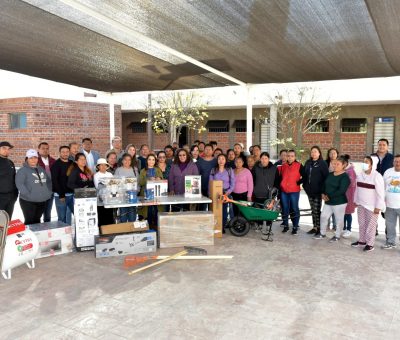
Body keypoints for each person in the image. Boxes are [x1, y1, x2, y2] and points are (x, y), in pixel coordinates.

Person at [351, 156, 385, 252]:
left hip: (372, 206)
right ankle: (362, 241)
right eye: (363, 162)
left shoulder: (377, 176)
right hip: (361, 204)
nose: (364, 164)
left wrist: (378, 207)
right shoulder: (360, 175)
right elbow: (357, 189)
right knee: (361, 223)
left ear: (372, 165)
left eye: (366, 162)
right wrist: (356, 201)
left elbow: (380, 193)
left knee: (371, 225)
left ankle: (370, 244)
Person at [314, 157, 350, 242]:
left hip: (339, 202)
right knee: (323, 216)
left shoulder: (345, 177)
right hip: (328, 201)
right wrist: (323, 194)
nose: (335, 166)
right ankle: (322, 234)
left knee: (339, 220)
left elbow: (341, 191)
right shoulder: (330, 174)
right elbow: (324, 185)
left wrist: (328, 196)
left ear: (343, 165)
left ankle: (337, 236)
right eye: (334, 164)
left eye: (338, 164)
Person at [16, 149, 52, 225]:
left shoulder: (41, 169)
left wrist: (48, 192)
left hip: (41, 201)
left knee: (37, 220)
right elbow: (19, 184)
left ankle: (36, 236)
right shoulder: (22, 170)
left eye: (35, 157)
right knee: (29, 221)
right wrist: (28, 194)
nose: (33, 160)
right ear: (27, 159)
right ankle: (29, 236)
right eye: (31, 158)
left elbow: (48, 182)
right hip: (28, 201)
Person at [302, 146, 329, 235]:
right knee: (313, 210)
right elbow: (305, 175)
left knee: (317, 210)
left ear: (319, 153)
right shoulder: (308, 162)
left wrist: (324, 191)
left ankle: (319, 228)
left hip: (318, 191)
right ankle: (314, 227)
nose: (313, 153)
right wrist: (304, 186)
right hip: (309, 191)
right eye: (312, 152)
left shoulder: (322, 163)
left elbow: (326, 177)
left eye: (315, 151)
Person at [279, 150, 304, 235]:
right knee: (285, 208)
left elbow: (305, 176)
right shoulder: (283, 166)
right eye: (288, 156)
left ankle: (295, 227)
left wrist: (298, 182)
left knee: (294, 208)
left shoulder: (299, 165)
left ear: (295, 157)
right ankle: (286, 226)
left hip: (294, 191)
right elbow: (280, 177)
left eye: (292, 156)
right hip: (284, 191)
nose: (290, 157)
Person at [209, 154, 235, 229]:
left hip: (226, 193)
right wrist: (210, 193)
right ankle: (217, 226)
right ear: (217, 161)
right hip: (216, 193)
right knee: (216, 210)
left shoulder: (229, 170)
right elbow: (210, 182)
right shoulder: (213, 170)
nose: (221, 161)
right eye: (219, 159)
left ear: (225, 160)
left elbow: (233, 183)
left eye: (223, 159)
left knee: (225, 211)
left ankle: (223, 226)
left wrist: (228, 192)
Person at [51, 145, 74, 225]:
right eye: (63, 152)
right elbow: (55, 181)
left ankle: (69, 235)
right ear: (59, 153)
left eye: (67, 152)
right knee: (62, 218)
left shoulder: (72, 164)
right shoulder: (56, 165)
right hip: (61, 196)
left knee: (70, 217)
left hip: (71, 195)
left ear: (69, 153)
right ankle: (62, 236)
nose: (65, 154)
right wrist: (61, 195)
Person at [138, 154, 163, 226]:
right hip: (146, 194)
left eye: (153, 159)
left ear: (155, 161)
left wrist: (159, 179)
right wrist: (148, 179)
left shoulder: (158, 169)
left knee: (155, 211)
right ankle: (148, 227)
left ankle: (156, 227)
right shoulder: (143, 171)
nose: (151, 161)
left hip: (156, 194)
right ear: (147, 161)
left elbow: (162, 179)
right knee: (147, 212)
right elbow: (140, 182)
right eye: (149, 159)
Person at [382, 154, 400, 249]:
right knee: (389, 225)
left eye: (399, 161)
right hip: (389, 204)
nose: (398, 163)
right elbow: (382, 187)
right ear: (393, 162)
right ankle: (390, 242)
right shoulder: (388, 172)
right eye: (396, 161)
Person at [115, 153, 140, 223]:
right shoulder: (118, 170)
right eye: (125, 160)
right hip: (122, 197)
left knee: (132, 216)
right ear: (122, 161)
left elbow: (138, 182)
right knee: (123, 216)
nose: (127, 161)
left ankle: (131, 231)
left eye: (129, 160)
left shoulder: (134, 169)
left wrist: (136, 191)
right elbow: (115, 183)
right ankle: (124, 231)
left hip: (133, 197)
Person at [38, 142, 56, 222]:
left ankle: (46, 229)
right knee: (37, 213)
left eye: (47, 148)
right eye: (43, 148)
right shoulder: (35, 160)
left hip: (50, 191)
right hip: (39, 191)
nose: (45, 150)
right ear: (38, 149)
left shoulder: (53, 161)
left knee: (48, 212)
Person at [94, 158, 114, 226]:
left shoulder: (110, 174)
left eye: (104, 165)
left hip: (110, 199)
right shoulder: (96, 175)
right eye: (101, 165)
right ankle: (102, 232)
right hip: (100, 200)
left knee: (110, 216)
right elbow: (98, 187)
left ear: (106, 166)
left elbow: (114, 185)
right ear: (98, 167)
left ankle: (110, 232)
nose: (103, 167)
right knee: (101, 216)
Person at [0, 141, 18, 218]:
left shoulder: (10, 163)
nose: (6, 150)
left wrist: (15, 195)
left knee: (7, 220)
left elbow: (14, 179)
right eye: (4, 148)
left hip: (11, 197)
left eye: (8, 149)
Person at [342, 155, 357, 238]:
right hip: (343, 195)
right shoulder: (344, 170)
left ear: (345, 163)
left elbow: (352, 184)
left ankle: (349, 229)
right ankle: (343, 228)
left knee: (348, 213)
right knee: (343, 213)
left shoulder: (350, 171)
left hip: (349, 195)